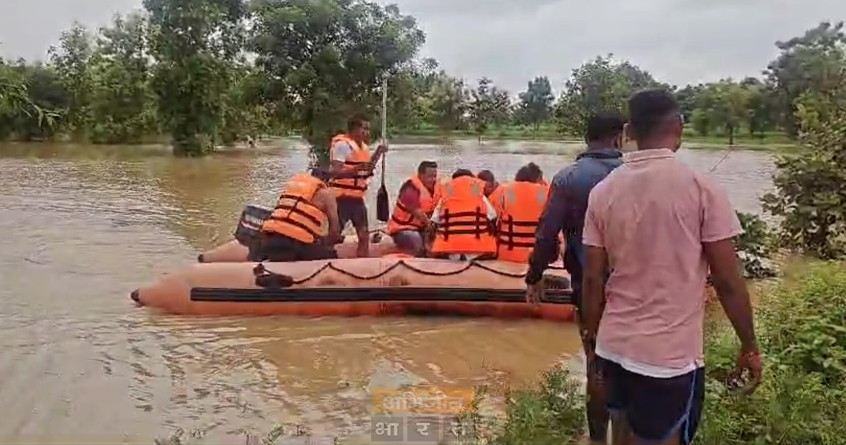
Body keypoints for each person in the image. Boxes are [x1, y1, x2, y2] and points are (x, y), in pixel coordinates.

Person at [584, 90, 761, 445]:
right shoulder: (701, 187)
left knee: (621, 433)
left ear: (629, 131)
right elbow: (727, 280)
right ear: (679, 126)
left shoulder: (603, 191)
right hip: (668, 359)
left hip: (613, 346)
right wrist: (749, 346)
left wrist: (592, 347)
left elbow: (592, 278)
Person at [524, 112, 626, 444]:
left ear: (588, 139)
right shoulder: (636, 174)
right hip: (640, 288)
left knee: (597, 363)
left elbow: (546, 235)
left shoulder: (569, 178)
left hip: (589, 286)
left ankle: (598, 439)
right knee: (635, 367)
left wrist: (534, 275)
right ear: (618, 138)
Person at [328, 115, 388, 258]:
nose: (367, 132)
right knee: (334, 233)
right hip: (340, 197)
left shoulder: (363, 148)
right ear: (354, 129)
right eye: (364, 128)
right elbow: (335, 172)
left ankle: (362, 263)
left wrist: (378, 153)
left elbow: (366, 170)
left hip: (356, 198)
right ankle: (322, 256)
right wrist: (354, 170)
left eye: (368, 129)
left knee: (364, 234)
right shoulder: (342, 145)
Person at [250, 168, 341, 262]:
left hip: (269, 237)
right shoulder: (327, 194)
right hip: (295, 243)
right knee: (332, 256)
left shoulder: (292, 188)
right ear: (327, 181)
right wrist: (328, 240)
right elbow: (334, 233)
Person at [428, 169, 498, 261]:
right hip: (477, 252)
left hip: (450, 252)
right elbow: (493, 219)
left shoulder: (445, 198)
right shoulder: (480, 196)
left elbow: (432, 225)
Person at [494, 163, 549, 263]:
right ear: (538, 179)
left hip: (507, 255)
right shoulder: (546, 193)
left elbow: (493, 219)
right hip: (538, 257)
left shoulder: (503, 191)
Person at [386, 160, 439, 256]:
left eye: (435, 176)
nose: (433, 179)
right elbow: (420, 215)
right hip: (403, 230)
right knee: (417, 244)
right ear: (420, 175)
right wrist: (434, 229)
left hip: (422, 228)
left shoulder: (437, 187)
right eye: (430, 176)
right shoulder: (410, 189)